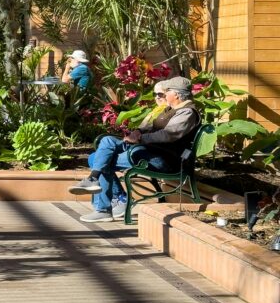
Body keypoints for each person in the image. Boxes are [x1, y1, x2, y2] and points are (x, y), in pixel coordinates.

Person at [69, 76, 202, 222]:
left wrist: (139, 139)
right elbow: (151, 128)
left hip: (165, 159)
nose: (164, 94)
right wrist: (138, 132)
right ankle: (95, 181)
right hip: (149, 151)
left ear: (176, 94)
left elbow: (168, 135)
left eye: (167, 91)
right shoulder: (170, 110)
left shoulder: (187, 112)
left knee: (98, 160)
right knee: (104, 145)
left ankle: (103, 208)